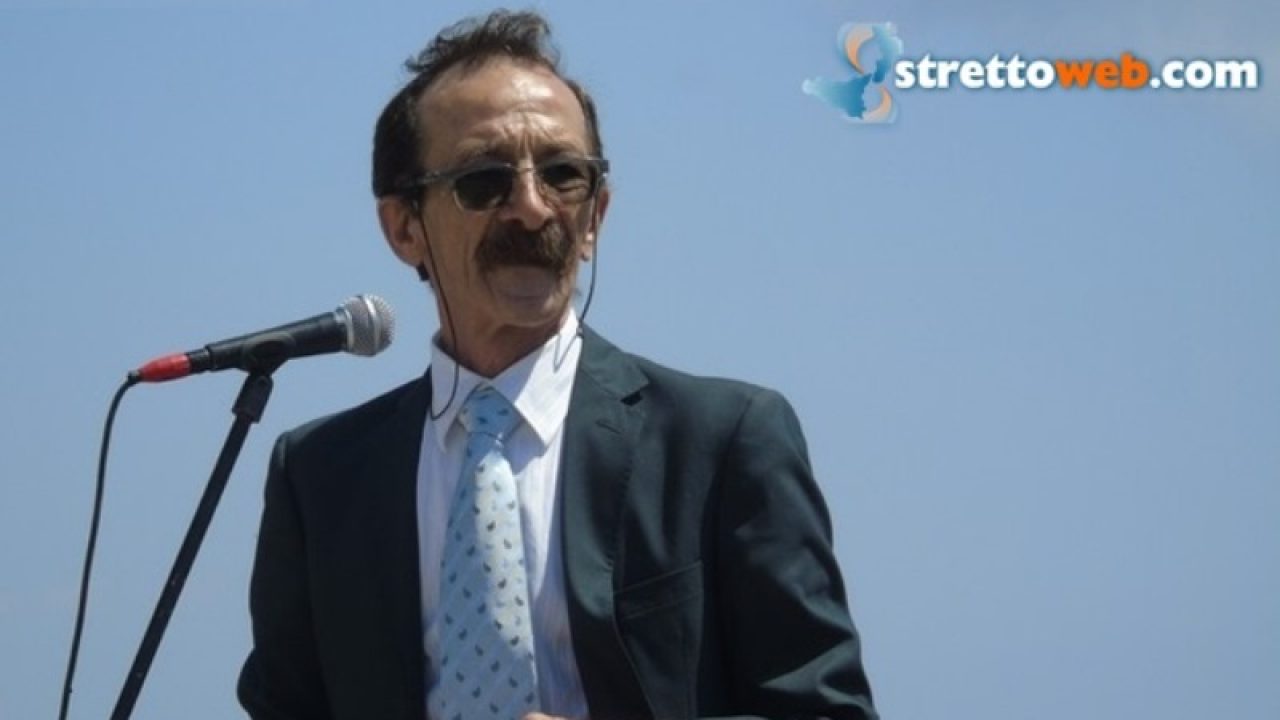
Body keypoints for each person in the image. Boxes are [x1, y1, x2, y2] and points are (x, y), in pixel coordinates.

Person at [238, 10, 876, 720]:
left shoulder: (720, 443)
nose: (531, 208)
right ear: (404, 227)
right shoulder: (321, 476)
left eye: (563, 175)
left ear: (596, 215)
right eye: (485, 180)